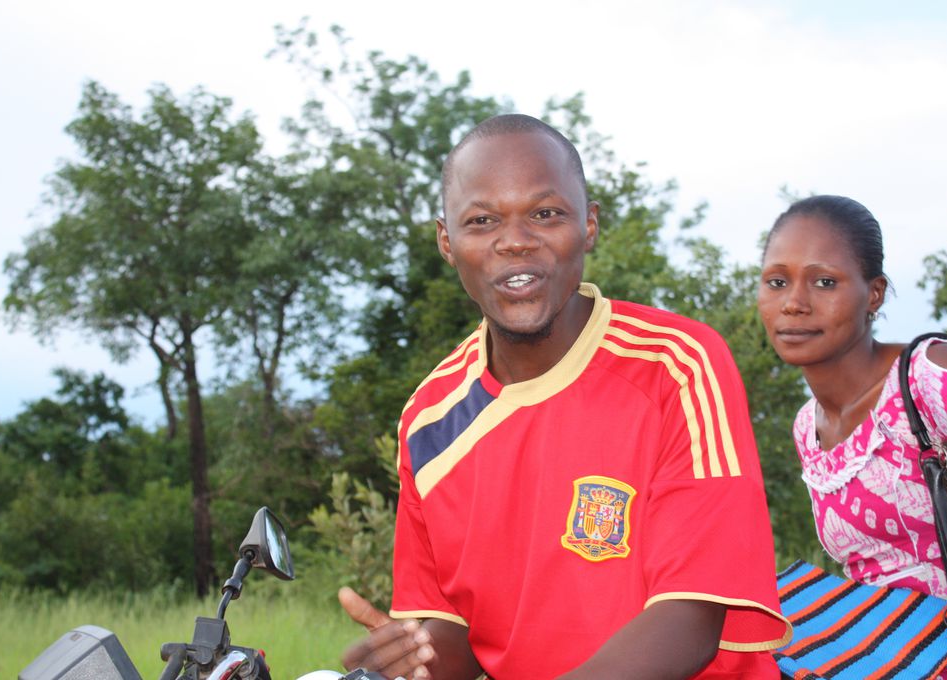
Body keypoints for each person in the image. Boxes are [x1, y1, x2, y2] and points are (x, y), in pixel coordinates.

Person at [338, 113, 791, 680]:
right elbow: (454, 628)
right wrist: (410, 659)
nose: (515, 242)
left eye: (545, 214)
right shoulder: (429, 420)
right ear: (446, 242)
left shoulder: (677, 364)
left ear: (589, 225)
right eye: (481, 221)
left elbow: (690, 620)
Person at [756, 194, 947, 679]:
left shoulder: (931, 378)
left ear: (874, 294)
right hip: (895, 657)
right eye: (777, 282)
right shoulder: (808, 428)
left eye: (824, 281)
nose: (794, 303)